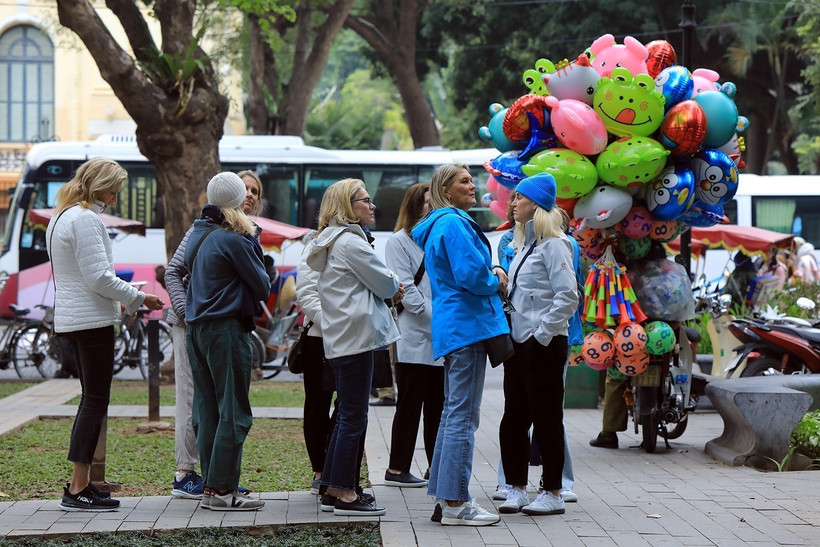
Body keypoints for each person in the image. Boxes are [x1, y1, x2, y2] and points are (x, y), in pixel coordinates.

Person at [46, 157, 164, 511]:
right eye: (114, 189)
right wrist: (139, 296)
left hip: (74, 319)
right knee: (95, 401)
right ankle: (78, 487)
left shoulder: (62, 216)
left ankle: (81, 484)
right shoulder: (84, 219)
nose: (115, 197)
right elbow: (98, 278)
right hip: (91, 322)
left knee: (90, 401)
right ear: (98, 184)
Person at [412, 163, 508, 526]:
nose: (473, 186)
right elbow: (470, 275)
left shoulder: (442, 223)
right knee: (462, 417)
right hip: (467, 328)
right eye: (465, 181)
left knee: (455, 415)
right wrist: (496, 279)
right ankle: (455, 502)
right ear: (445, 190)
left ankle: (446, 498)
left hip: (458, 328)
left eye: (472, 179)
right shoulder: (452, 223)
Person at [164, 170, 267, 499]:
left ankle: (210, 484)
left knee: (204, 409)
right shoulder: (236, 239)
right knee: (233, 409)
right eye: (245, 191)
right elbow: (262, 286)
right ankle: (223, 488)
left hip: (197, 330)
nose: (250, 196)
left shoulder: (198, 232)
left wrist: (188, 311)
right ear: (238, 200)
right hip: (225, 329)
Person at [305, 178, 404, 516]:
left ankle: (333, 487)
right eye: (365, 200)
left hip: (342, 339)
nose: (372, 205)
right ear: (348, 207)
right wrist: (393, 287)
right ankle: (345, 491)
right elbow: (386, 281)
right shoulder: (351, 242)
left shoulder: (332, 241)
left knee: (346, 416)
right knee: (353, 418)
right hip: (357, 339)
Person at [498, 174, 578, 516]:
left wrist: (541, 335)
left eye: (518, 198)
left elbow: (568, 295)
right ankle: (516, 487)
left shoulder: (555, 244)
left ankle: (554, 492)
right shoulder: (521, 245)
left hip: (542, 345)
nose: (512, 203)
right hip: (519, 345)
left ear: (535, 204)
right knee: (513, 419)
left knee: (546, 419)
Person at [383, 183, 443, 488]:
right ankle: (397, 469)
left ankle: (437, 467)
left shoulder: (438, 238)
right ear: (413, 207)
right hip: (415, 335)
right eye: (426, 203)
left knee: (438, 406)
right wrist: (443, 321)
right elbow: (407, 292)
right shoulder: (398, 242)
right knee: (409, 404)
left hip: (440, 338)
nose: (431, 208)